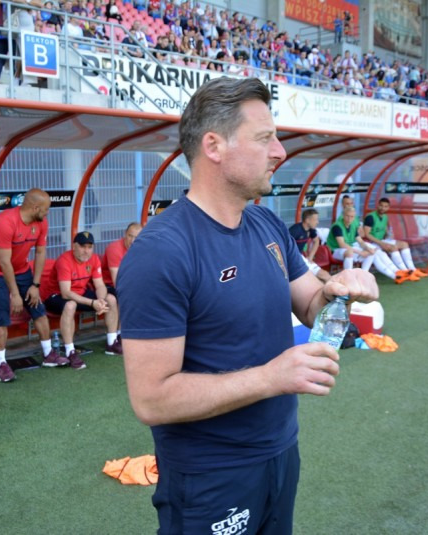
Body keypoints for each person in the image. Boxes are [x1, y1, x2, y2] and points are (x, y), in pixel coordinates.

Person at [116, 77, 378, 533]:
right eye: (264, 138)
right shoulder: (163, 250)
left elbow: (311, 306)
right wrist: (270, 378)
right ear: (213, 146)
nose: (279, 151)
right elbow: (151, 400)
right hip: (210, 474)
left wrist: (337, 290)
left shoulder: (266, 224)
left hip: (281, 450)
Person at [0, 189, 56, 382]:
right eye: (46, 209)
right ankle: (0, 365)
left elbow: (40, 253)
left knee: (38, 307)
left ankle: (49, 354)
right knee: (1, 315)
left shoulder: (41, 223)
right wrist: (14, 294)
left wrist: (35, 285)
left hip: (21, 269)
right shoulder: (5, 221)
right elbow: (4, 262)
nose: (48, 213)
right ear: (35, 208)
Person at [41, 231, 122, 368]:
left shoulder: (94, 259)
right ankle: (70, 351)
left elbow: (100, 285)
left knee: (111, 299)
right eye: (83, 247)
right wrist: (92, 303)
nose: (86, 251)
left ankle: (112, 343)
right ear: (74, 246)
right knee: (70, 305)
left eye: (90, 247)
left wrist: (101, 301)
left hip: (80, 294)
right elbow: (66, 293)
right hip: (55, 296)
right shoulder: (64, 260)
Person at [362, 198, 428, 279]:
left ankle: (412, 269)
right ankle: (405, 271)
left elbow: (384, 230)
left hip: (382, 240)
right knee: (393, 247)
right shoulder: (370, 217)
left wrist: (388, 234)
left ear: (388, 207)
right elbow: (367, 234)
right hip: (372, 243)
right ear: (377, 205)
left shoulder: (385, 217)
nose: (383, 208)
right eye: (381, 206)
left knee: (404, 244)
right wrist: (381, 243)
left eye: (385, 206)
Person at [289, 209, 330, 282]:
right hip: (293, 259)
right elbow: (284, 244)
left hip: (300, 257)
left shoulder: (311, 230)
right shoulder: (295, 230)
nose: (317, 222)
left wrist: (310, 257)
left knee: (323, 276)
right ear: (307, 220)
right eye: (315, 219)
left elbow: (316, 241)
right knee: (323, 275)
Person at [102, 222, 142, 292]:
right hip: (109, 285)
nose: (132, 241)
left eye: (136, 237)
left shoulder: (141, 248)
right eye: (130, 236)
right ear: (125, 233)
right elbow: (117, 283)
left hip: (130, 282)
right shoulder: (114, 249)